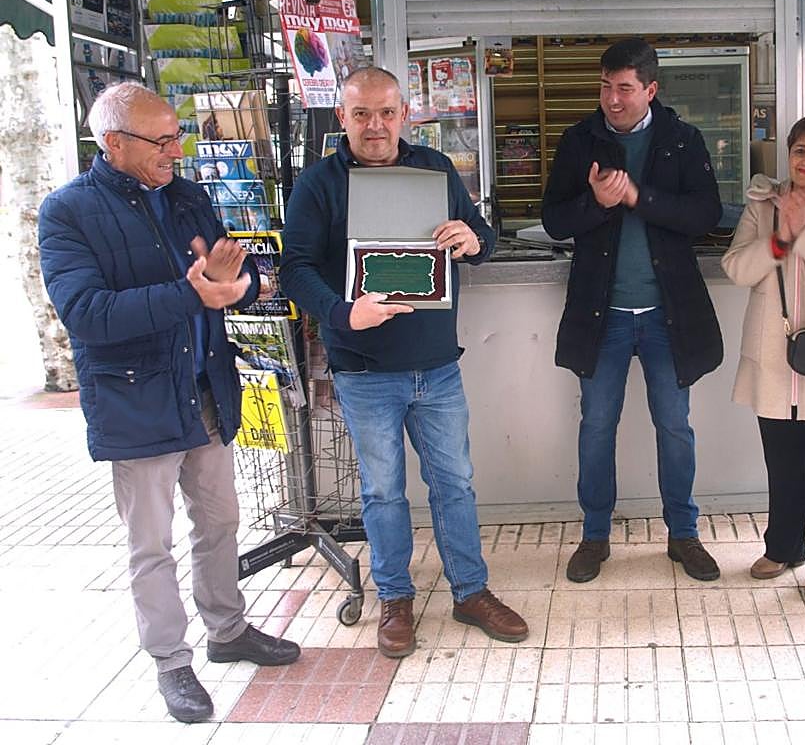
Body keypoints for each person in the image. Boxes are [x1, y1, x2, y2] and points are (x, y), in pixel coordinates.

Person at [37, 82, 298, 724]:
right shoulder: (67, 211)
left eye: (177, 136)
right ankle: (171, 662)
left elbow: (227, 279)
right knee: (151, 543)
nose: (176, 150)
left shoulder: (186, 196)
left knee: (220, 521)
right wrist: (194, 295)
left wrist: (241, 285)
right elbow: (86, 313)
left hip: (205, 390)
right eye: (161, 140)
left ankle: (227, 629)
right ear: (113, 143)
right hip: (136, 399)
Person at [279, 66, 528, 659]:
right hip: (364, 369)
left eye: (387, 112)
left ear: (404, 115)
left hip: (437, 365)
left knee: (455, 484)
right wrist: (343, 313)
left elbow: (481, 236)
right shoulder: (318, 183)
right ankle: (394, 598)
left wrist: (475, 241)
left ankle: (470, 592)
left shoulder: (435, 169)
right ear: (342, 117)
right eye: (361, 113)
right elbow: (294, 269)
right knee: (384, 493)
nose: (375, 125)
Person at [541, 38, 724, 583]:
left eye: (624, 88)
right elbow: (554, 220)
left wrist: (637, 198)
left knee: (675, 426)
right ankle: (595, 535)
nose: (612, 100)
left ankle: (683, 534)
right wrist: (596, 203)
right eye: (605, 87)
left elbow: (706, 214)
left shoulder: (682, 139)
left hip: (669, 312)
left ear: (651, 89)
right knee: (597, 425)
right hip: (605, 313)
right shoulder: (580, 140)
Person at [721, 116, 805, 597]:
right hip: (774, 357)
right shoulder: (764, 203)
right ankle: (783, 547)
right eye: (800, 150)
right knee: (781, 464)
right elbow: (737, 268)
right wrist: (779, 239)